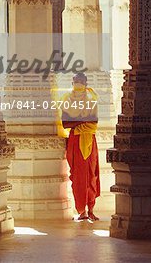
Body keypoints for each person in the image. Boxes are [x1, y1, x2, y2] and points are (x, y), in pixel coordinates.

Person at [61, 72, 100, 221]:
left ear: (85, 83)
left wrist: (76, 123)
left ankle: (90, 209)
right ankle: (82, 211)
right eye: (76, 82)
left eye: (80, 82)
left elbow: (94, 124)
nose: (78, 85)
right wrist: (82, 123)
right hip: (76, 141)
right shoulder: (67, 99)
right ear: (72, 83)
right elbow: (65, 124)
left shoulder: (91, 98)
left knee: (91, 175)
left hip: (85, 139)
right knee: (78, 176)